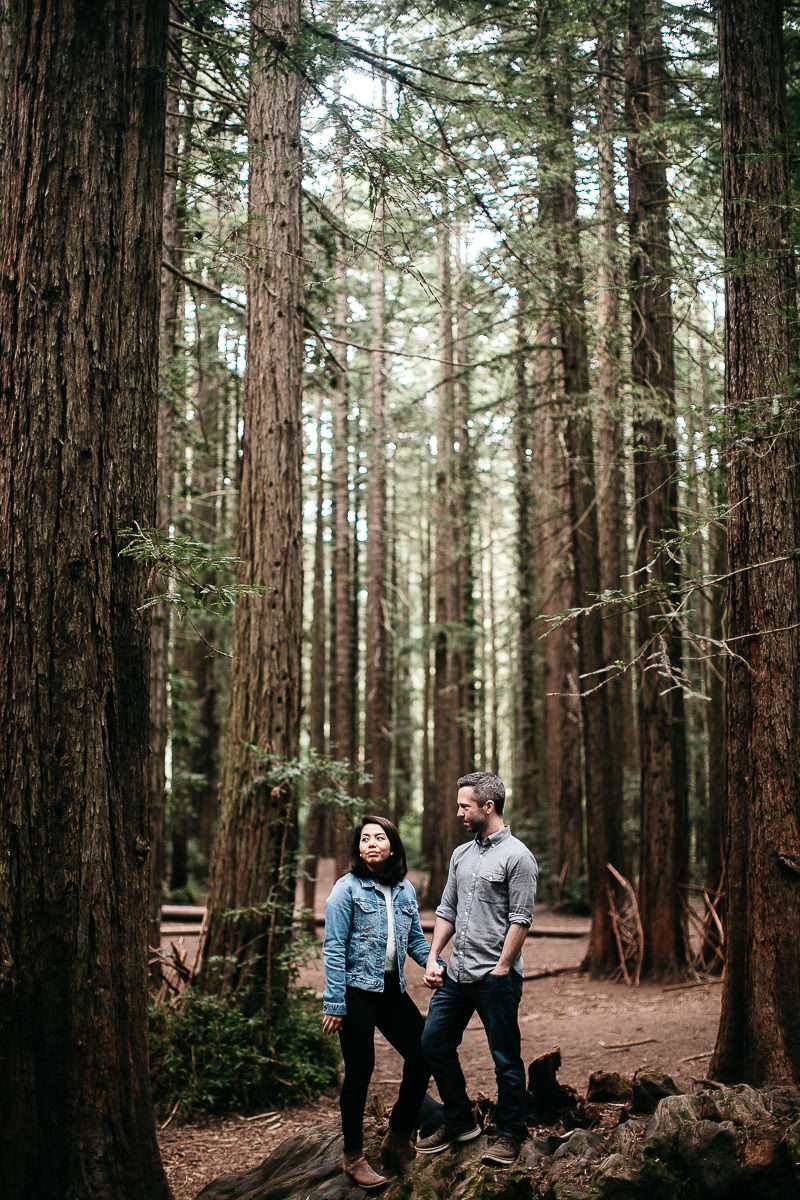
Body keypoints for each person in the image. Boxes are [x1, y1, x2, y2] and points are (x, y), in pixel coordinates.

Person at [418, 771, 538, 1167]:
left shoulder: (518, 857)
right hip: (457, 973)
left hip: (495, 976)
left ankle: (510, 1133)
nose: (458, 813)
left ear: (488, 806)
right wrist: (434, 957)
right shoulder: (461, 855)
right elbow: (447, 910)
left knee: (505, 1057)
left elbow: (521, 919)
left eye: (464, 806)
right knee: (434, 1041)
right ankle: (460, 1120)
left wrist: (502, 969)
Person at [322, 815, 432, 1190]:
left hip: (391, 989)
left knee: (424, 1052)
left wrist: (435, 964)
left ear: (392, 846)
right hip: (356, 991)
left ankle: (398, 1136)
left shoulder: (404, 889)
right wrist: (334, 1003)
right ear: (358, 848)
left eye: (379, 837)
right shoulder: (345, 890)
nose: (371, 843)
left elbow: (414, 940)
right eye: (365, 838)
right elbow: (333, 948)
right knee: (360, 1071)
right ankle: (353, 1156)